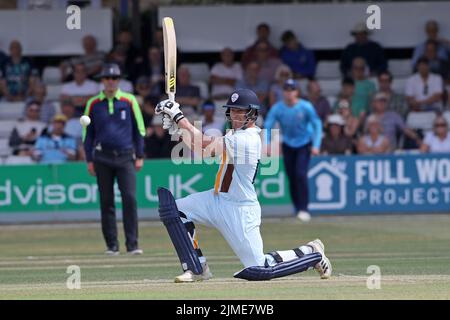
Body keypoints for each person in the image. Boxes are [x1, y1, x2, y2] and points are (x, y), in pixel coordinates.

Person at [154, 88, 331, 282]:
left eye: (241, 111)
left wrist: (179, 118)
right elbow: (204, 152)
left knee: (259, 268)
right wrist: (179, 130)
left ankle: (312, 254)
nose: (236, 115)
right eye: (233, 110)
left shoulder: (247, 139)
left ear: (252, 113)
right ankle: (197, 268)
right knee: (174, 209)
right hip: (217, 199)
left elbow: (204, 143)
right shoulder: (234, 135)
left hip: (240, 209)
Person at [83, 63, 146, 256]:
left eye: (114, 78)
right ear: (102, 80)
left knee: (129, 199)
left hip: (126, 156)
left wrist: (140, 155)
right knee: (106, 201)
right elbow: (88, 134)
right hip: (102, 157)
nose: (111, 81)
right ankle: (112, 246)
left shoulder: (129, 100)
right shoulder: (93, 103)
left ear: (119, 80)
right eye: (107, 78)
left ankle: (132, 245)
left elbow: (139, 129)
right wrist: (89, 159)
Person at [264, 79, 323, 222]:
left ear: (297, 92)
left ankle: (304, 209)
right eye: (286, 90)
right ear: (283, 92)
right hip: (288, 144)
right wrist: (266, 144)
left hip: (304, 144)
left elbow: (317, 124)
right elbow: (268, 125)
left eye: (292, 90)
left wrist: (316, 145)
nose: (289, 93)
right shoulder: (278, 108)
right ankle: (297, 209)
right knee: (291, 177)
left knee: (300, 174)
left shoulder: (305, 106)